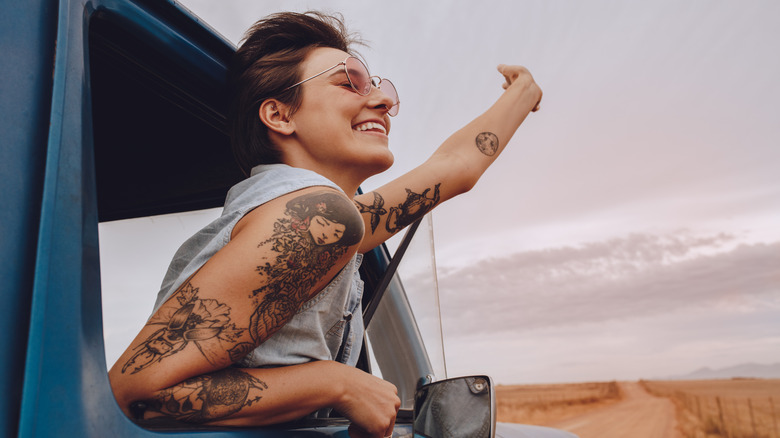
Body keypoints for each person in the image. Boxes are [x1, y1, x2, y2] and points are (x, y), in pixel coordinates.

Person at [108, 10, 541, 438]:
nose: (384, 101)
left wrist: (522, 93)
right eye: (348, 82)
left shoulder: (330, 220)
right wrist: (335, 382)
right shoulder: (316, 217)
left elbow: (455, 166)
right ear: (279, 116)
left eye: (379, 87)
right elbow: (137, 393)